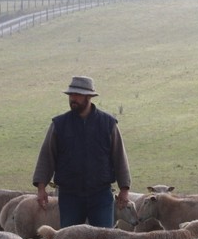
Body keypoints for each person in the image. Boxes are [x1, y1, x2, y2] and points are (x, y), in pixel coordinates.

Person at [32, 75, 132, 228]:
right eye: (71, 95)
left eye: (77, 95)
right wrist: (41, 188)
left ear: (89, 97)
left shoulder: (108, 124)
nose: (73, 98)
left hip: (101, 194)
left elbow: (119, 157)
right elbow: (47, 156)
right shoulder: (59, 125)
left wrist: (124, 189)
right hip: (69, 195)